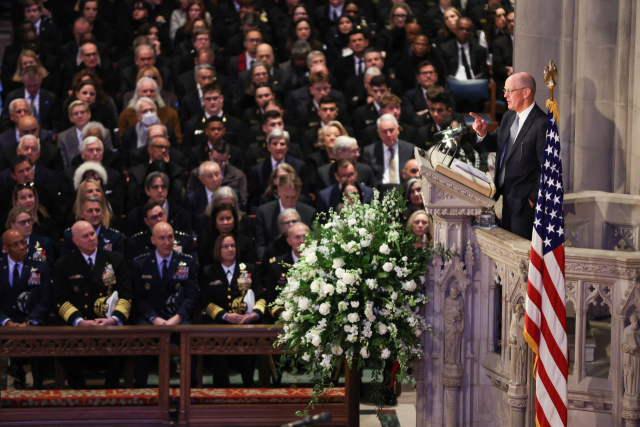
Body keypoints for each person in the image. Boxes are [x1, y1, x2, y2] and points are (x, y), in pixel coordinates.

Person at [53, 220, 132, 388]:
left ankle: (111, 390)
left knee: (124, 340)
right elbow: (60, 300)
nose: (91, 238)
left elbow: (126, 295)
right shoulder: (63, 264)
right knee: (61, 343)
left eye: (92, 233)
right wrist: (79, 321)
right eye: (85, 236)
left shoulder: (115, 259)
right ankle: (78, 391)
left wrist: (113, 320)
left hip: (109, 324)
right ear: (75, 241)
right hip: (78, 325)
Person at [471, 72, 546, 239]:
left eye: (509, 91)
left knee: (519, 254)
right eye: (505, 91)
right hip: (505, 199)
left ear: (526, 92)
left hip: (525, 205)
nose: (505, 95)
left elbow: (546, 168)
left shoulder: (542, 124)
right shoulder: (508, 116)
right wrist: (483, 133)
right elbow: (495, 144)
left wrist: (532, 199)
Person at [131, 222, 198, 387]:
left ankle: (191, 389)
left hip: (177, 316)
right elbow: (139, 298)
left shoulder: (186, 262)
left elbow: (192, 296)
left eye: (170, 237)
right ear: (153, 240)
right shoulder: (141, 263)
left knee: (188, 337)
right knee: (140, 337)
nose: (167, 242)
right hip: (150, 317)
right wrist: (153, 318)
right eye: (162, 238)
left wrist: (177, 317)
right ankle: (140, 389)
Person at [200, 233, 266, 387]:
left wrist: (254, 315)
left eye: (232, 246)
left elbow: (261, 297)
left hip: (245, 320)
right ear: (218, 249)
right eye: (225, 246)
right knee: (217, 338)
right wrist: (224, 316)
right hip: (220, 322)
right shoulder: (209, 271)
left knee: (249, 337)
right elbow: (205, 301)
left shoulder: (248, 269)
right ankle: (221, 388)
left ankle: (249, 385)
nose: (230, 249)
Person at [0, 229, 52, 390]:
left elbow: (45, 301)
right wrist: (6, 322)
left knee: (37, 336)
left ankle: (37, 389)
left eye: (23, 242)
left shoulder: (40, 266)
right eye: (16, 245)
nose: (22, 247)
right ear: (5, 248)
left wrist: (28, 322)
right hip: (5, 322)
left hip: (32, 322)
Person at [248, 129, 309, 214]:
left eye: (282, 144)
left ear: (287, 147)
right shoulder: (257, 170)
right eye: (275, 144)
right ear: (268, 147)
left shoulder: (299, 166)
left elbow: (304, 198)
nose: (278, 147)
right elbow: (253, 203)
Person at [255, 174, 315, 259]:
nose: (290, 201)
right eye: (286, 197)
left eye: (294, 197)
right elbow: (261, 245)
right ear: (279, 191)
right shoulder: (264, 212)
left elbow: (314, 244)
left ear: (299, 193)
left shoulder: (309, 213)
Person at [264, 222, 309, 320]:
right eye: (297, 237)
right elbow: (272, 300)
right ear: (289, 241)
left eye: (305, 236)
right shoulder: (277, 266)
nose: (302, 241)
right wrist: (284, 315)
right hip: (286, 320)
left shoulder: (321, 263)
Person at [126, 171, 192, 237]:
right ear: (147, 191)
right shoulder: (135, 215)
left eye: (163, 187)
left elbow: (187, 242)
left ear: (167, 190)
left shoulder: (182, 215)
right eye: (155, 187)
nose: (160, 190)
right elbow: (131, 243)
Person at [362, 114, 417, 186]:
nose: (388, 134)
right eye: (384, 131)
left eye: (391, 130)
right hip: (380, 191)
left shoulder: (410, 149)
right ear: (378, 132)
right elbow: (368, 178)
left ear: (398, 129)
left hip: (404, 189)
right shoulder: (369, 151)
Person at [6, 206, 55, 272]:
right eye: (23, 222)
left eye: (29, 221)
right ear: (12, 225)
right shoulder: (3, 243)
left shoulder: (43, 243)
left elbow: (49, 270)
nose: (27, 225)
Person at [184, 161, 222, 229]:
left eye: (217, 174)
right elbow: (189, 226)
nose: (215, 179)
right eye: (210, 176)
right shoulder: (192, 199)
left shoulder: (231, 194)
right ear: (202, 180)